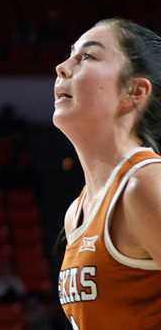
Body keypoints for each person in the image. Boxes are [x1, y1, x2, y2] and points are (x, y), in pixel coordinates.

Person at [54, 19, 161, 328]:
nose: (62, 67)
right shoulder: (77, 210)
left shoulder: (144, 183)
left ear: (135, 92)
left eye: (87, 56)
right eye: (70, 54)